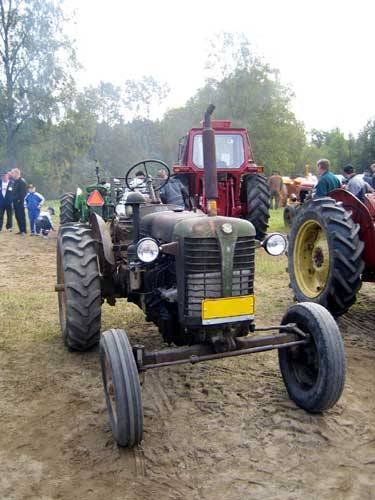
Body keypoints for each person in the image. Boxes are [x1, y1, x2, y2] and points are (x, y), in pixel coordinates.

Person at [11, 167, 27, 235]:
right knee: (17, 216)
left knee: (21, 216)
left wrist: (18, 200)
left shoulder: (22, 182)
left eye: (13, 173)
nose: (12, 174)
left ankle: (23, 230)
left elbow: (23, 194)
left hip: (20, 202)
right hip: (15, 202)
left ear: (16, 173)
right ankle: (21, 230)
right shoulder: (15, 181)